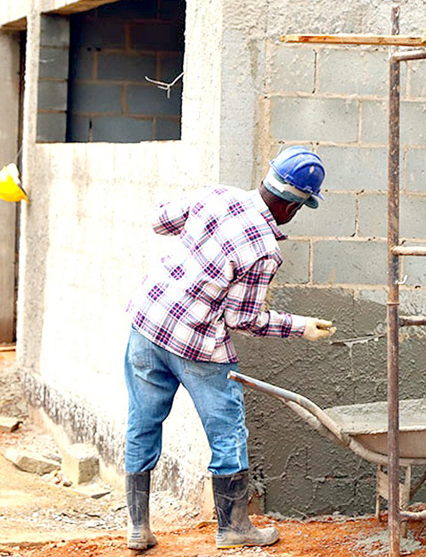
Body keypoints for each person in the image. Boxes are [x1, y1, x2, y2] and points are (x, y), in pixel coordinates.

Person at [123, 146, 336, 551]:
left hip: (147, 323)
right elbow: (244, 319)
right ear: (294, 207)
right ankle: (234, 527)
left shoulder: (216, 195)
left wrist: (198, 240)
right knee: (227, 432)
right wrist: (300, 327)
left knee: (142, 423)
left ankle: (138, 528)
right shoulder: (264, 251)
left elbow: (159, 220)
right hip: (196, 344)